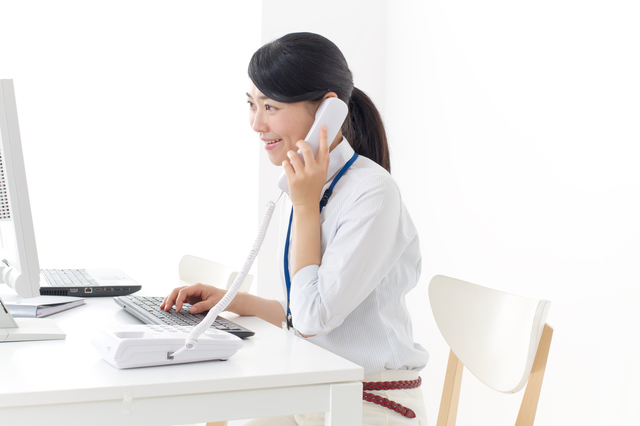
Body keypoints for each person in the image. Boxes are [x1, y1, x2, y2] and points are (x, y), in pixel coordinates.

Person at [161, 32, 429, 425]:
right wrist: (231, 300)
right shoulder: (305, 183)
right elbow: (301, 312)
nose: (256, 124)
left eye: (270, 107)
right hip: (312, 389)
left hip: (368, 402)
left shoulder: (372, 193)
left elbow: (312, 320)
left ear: (327, 110)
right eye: (251, 104)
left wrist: (304, 207)